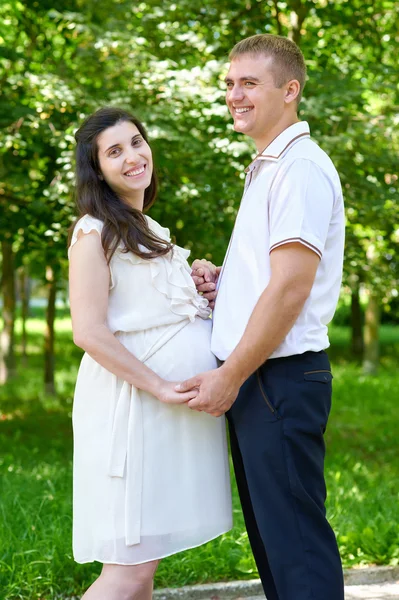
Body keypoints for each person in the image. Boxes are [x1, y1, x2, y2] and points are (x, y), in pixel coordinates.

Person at [181, 34, 345, 600]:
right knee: (278, 549)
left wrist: (230, 376)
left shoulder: (299, 168)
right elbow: (270, 281)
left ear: (290, 91)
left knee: (297, 553)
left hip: (276, 377)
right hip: (263, 378)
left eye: (249, 82)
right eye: (229, 83)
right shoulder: (269, 166)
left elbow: (291, 291)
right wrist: (226, 287)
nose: (234, 94)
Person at [68, 107, 232, 600]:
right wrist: (161, 386)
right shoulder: (93, 231)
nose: (133, 156)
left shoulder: (148, 227)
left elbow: (160, 311)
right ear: (97, 169)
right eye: (114, 151)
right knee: (127, 571)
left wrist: (204, 284)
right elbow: (89, 332)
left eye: (136, 142)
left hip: (160, 419)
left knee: (143, 569)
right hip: (132, 411)